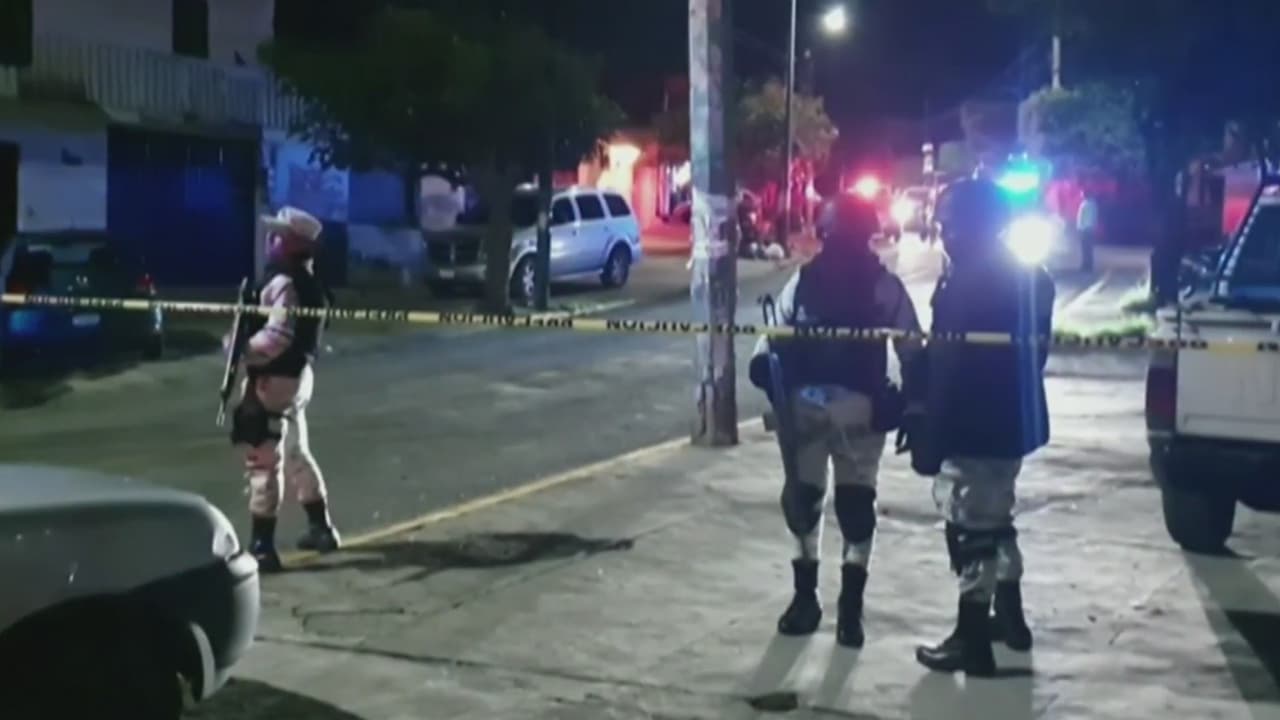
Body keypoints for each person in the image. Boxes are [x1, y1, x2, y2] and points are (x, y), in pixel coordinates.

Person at [749, 192, 925, 649]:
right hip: (811, 413)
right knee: (807, 503)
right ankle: (811, 600)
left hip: (856, 414)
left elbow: (912, 350)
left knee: (850, 507)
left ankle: (846, 608)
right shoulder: (810, 282)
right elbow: (771, 341)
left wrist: (912, 404)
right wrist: (766, 367)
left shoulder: (876, 286)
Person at [905, 178, 1055, 676]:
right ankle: (1010, 620)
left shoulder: (969, 281)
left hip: (972, 423)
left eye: (951, 224)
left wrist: (929, 432)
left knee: (972, 528)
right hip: (1013, 420)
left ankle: (971, 640)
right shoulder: (1031, 277)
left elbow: (950, 365)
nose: (944, 233)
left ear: (979, 225)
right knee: (996, 517)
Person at [229, 206, 339, 572]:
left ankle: (262, 546)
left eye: (278, 235)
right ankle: (321, 528)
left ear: (294, 244)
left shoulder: (283, 283)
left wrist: (240, 350)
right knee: (296, 452)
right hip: (297, 377)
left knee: (263, 460)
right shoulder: (308, 281)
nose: (270, 239)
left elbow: (277, 335)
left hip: (273, 379)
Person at [1076, 192, 1099, 273]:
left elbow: (1081, 217)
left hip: (1085, 229)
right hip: (1090, 228)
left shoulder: (1085, 204)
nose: (1081, 196)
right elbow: (1094, 217)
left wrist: (1079, 227)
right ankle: (1089, 265)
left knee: (1085, 248)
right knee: (1088, 248)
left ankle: (1085, 265)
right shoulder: (1093, 204)